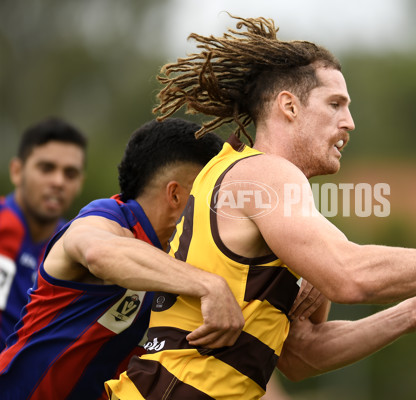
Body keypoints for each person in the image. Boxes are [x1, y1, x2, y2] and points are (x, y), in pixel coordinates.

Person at [107, 16, 416, 399]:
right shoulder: (267, 174)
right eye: (336, 104)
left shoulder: (259, 191)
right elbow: (350, 274)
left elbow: (302, 355)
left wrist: (413, 311)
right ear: (289, 106)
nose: (350, 122)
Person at [0, 118, 246, 400]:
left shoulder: (185, 261)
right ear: (176, 195)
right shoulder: (107, 219)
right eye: (211, 193)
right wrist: (209, 285)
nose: (220, 208)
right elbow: (99, 253)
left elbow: (290, 362)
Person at [0, 117, 86, 350]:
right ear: (17, 171)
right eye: (47, 168)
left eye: (70, 174)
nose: (58, 181)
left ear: (80, 183)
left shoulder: (79, 249)